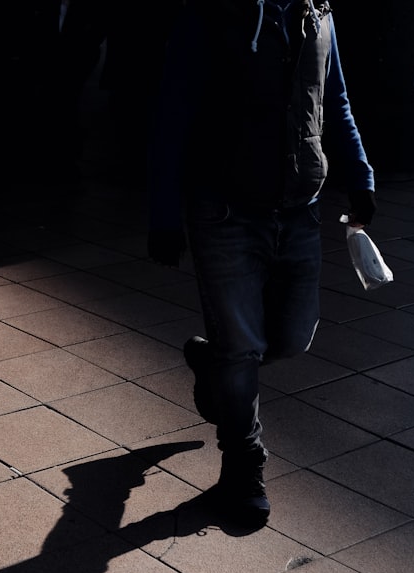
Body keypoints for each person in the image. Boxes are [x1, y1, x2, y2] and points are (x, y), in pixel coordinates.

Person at [147, 0, 377, 526]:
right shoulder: (207, 14)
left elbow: (333, 99)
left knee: (292, 337)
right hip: (224, 210)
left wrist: (359, 175)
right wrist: (163, 212)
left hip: (298, 210)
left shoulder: (319, 13)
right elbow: (173, 108)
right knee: (244, 347)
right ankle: (244, 464)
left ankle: (218, 365)